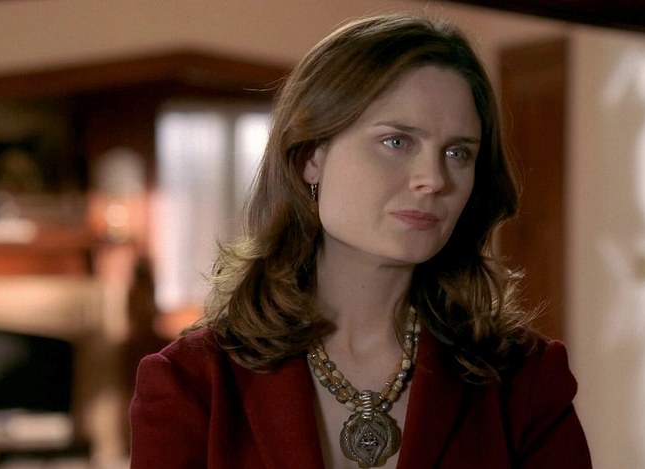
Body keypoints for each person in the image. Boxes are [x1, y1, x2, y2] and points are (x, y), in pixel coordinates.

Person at [130, 12, 591, 469]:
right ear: (311, 155)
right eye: (397, 142)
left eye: (457, 152)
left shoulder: (524, 379)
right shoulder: (192, 384)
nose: (433, 179)